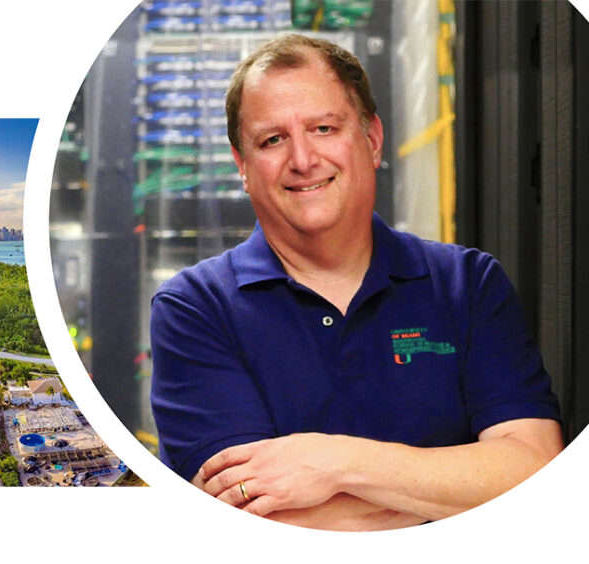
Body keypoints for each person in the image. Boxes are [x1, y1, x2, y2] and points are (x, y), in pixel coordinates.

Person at [149, 34, 562, 531]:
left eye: (324, 128)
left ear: (371, 139)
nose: (302, 159)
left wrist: (335, 463)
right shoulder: (195, 309)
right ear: (242, 166)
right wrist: (455, 491)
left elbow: (535, 473)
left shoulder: (468, 285)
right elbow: (250, 522)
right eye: (272, 140)